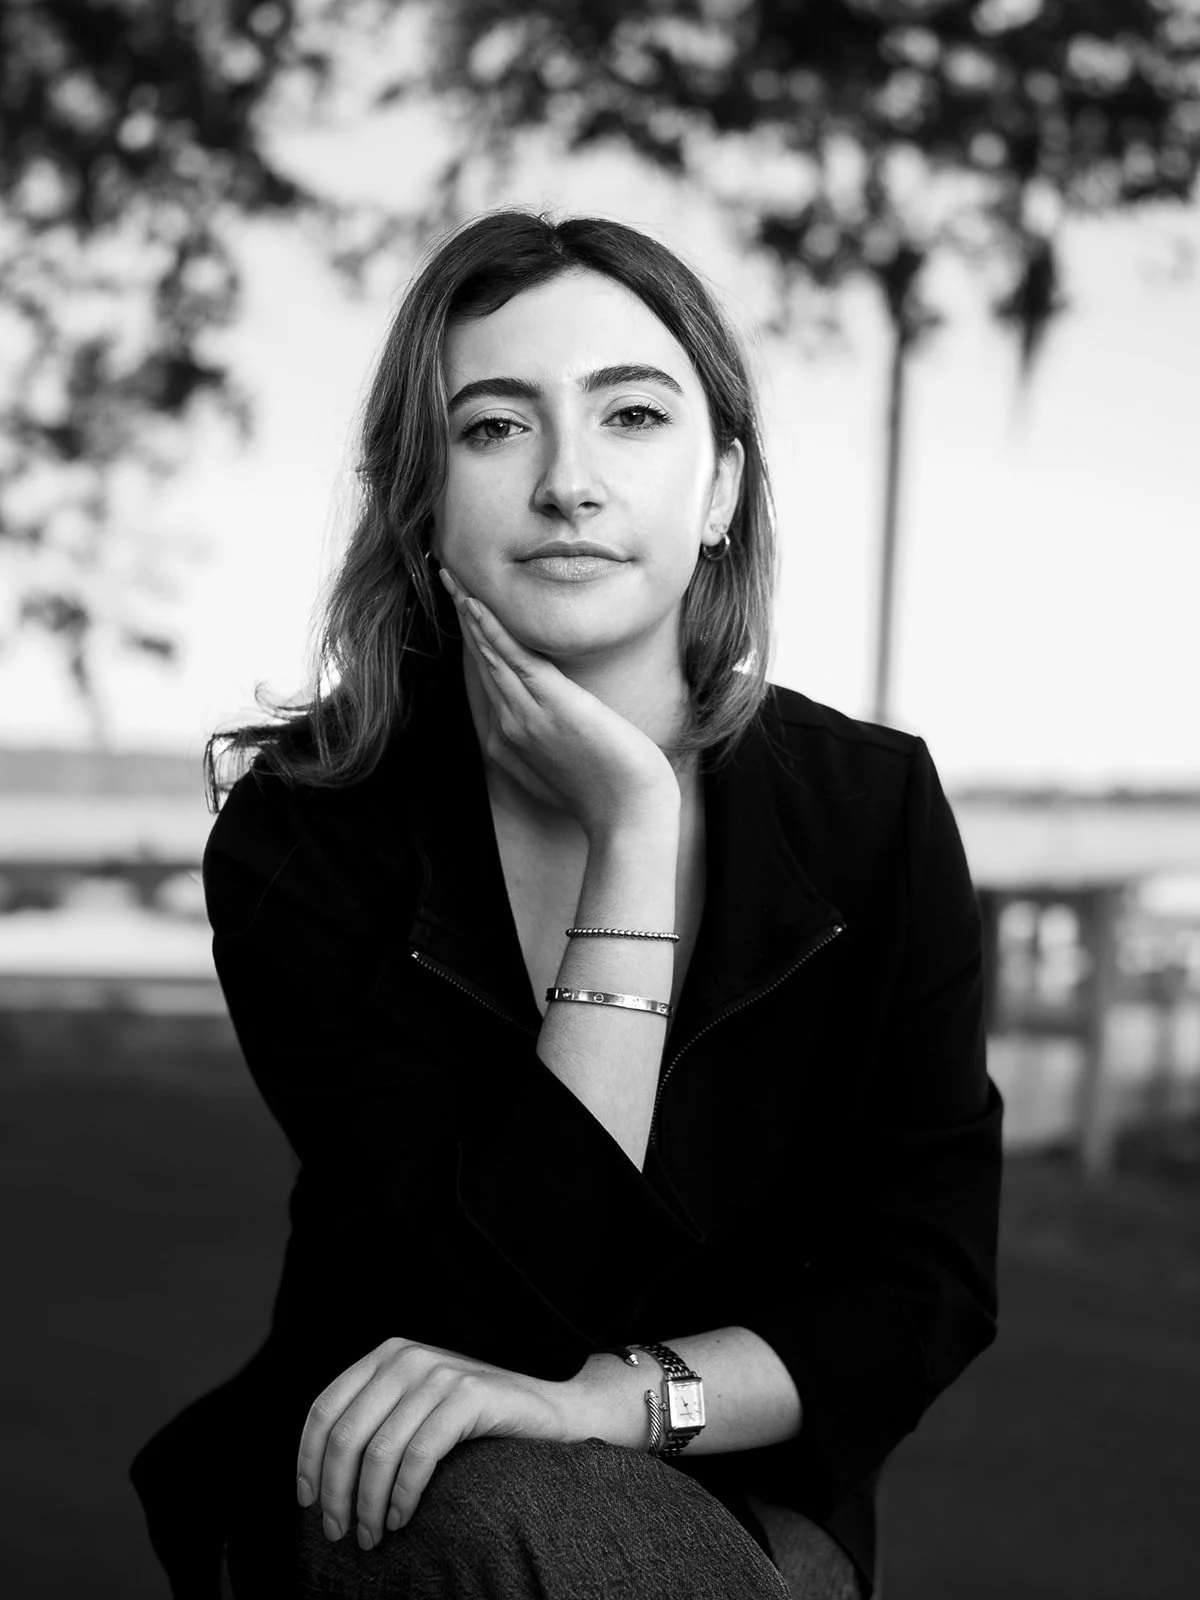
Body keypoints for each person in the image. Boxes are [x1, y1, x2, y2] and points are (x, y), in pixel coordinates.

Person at [130, 209, 1002, 1600]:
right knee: (491, 1497)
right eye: (493, 428)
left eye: (633, 416)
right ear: (420, 501)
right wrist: (635, 834)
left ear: (720, 488)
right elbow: (494, 1320)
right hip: (403, 1481)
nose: (569, 484)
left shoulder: (870, 810)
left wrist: (613, 1400)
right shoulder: (307, 838)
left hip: (745, 1489)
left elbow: (923, 1282)